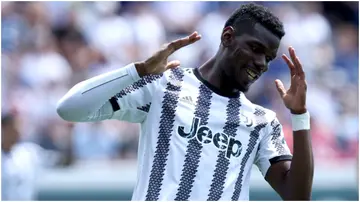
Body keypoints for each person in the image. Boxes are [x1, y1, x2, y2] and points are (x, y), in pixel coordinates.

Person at [57, 3, 313, 201]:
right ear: (227, 37)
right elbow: (69, 108)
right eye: (256, 49)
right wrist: (137, 71)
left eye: (268, 58)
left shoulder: (262, 121)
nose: (261, 64)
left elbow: (297, 196)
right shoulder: (164, 85)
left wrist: (300, 114)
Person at [1, 112, 70, 200]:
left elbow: (62, 160)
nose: (17, 131)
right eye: (12, 127)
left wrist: (67, 137)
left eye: (18, 126)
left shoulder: (29, 152)